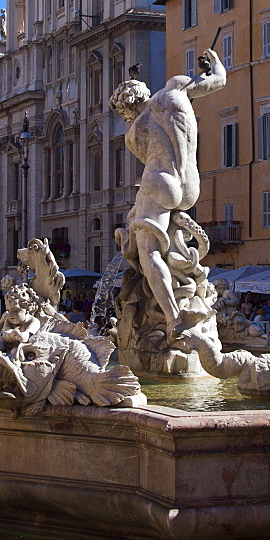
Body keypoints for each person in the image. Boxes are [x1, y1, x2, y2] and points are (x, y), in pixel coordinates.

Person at [109, 47, 225, 341]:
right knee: (163, 237)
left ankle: (175, 318)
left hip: (160, 181)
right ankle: (182, 287)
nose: (124, 117)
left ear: (127, 107)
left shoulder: (133, 131)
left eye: (123, 112)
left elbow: (147, 158)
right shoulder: (175, 88)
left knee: (148, 252)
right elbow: (219, 81)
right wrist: (213, 64)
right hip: (189, 185)